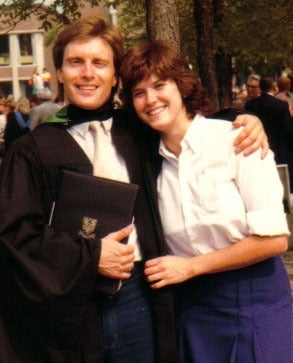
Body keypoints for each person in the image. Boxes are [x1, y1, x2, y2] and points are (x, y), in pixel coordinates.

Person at [0, 16, 267, 363]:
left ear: (115, 75)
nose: (87, 73)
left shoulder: (141, 130)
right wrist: (90, 256)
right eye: (75, 62)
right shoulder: (33, 150)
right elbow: (13, 235)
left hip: (141, 299)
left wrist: (243, 120)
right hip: (71, 309)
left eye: (100, 63)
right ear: (60, 72)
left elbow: (190, 127)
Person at [120, 40, 293, 363]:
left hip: (253, 301)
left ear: (182, 87)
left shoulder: (235, 141)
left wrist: (190, 267)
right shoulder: (149, 165)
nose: (151, 99)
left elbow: (274, 240)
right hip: (193, 310)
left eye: (160, 86)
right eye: (139, 93)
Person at [245, 75, 293, 191]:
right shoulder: (280, 105)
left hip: (258, 147)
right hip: (278, 147)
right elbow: (288, 129)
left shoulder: (250, 105)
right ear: (274, 86)